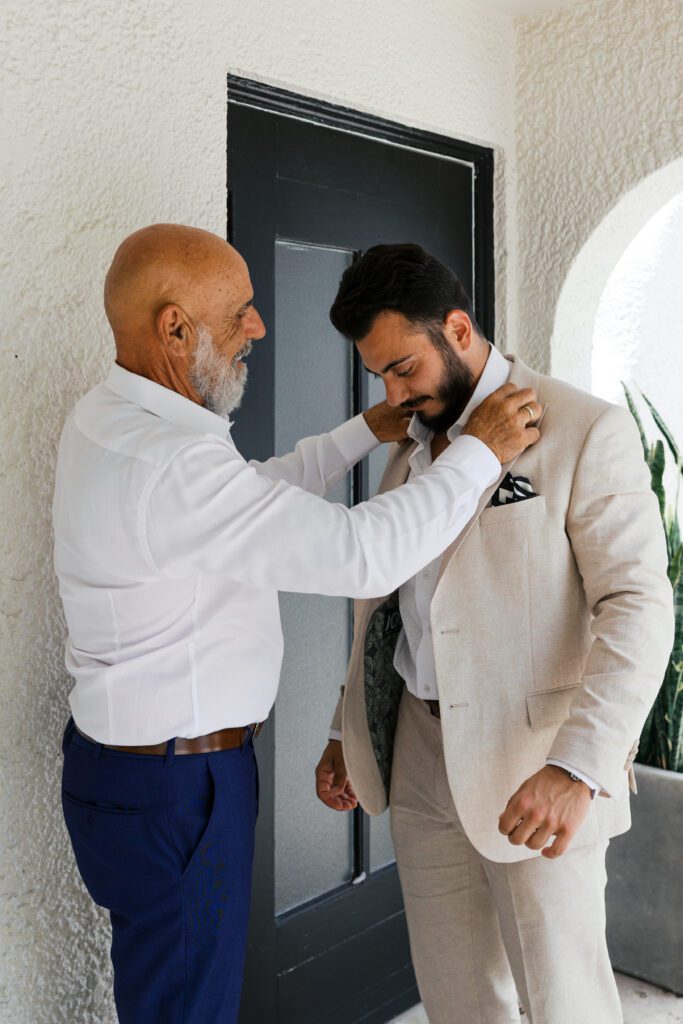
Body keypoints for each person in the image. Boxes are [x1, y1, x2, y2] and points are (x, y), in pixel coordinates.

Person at [52, 224, 540, 1023]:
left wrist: (360, 434)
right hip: (180, 790)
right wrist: (479, 453)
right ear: (173, 328)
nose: (257, 327)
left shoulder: (111, 419)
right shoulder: (173, 464)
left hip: (127, 773)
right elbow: (364, 555)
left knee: (166, 993)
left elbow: (246, 499)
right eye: (236, 312)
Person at [315, 243, 674, 1024]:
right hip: (418, 759)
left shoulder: (584, 429)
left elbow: (638, 607)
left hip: (534, 766)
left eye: (403, 367)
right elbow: (391, 606)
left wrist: (576, 767)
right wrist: (347, 726)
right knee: (456, 998)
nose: (393, 394)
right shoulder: (409, 446)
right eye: (378, 375)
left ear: (456, 328)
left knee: (563, 1003)